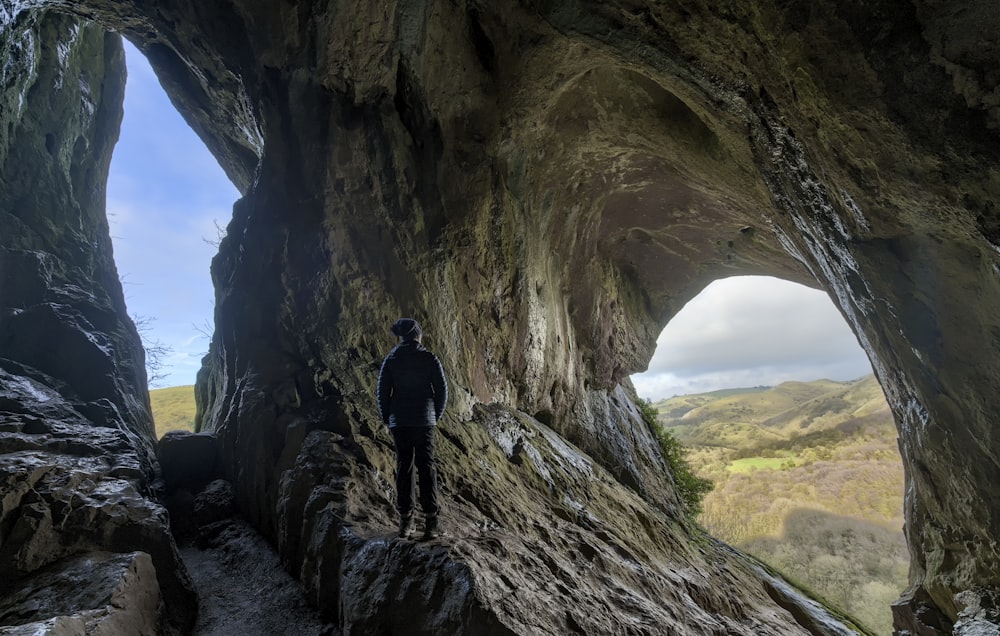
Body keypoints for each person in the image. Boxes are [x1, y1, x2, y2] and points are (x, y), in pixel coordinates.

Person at [377, 317, 448, 539]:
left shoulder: (391, 360)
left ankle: (406, 523)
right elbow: (442, 391)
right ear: (417, 335)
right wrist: (434, 415)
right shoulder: (429, 358)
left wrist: (388, 419)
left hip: (401, 422)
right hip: (424, 421)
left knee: (404, 467)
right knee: (427, 468)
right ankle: (431, 523)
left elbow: (382, 393)